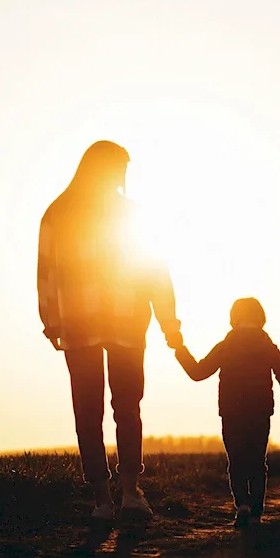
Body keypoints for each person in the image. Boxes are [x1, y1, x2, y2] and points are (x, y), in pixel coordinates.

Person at [38, 141, 182, 522]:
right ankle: (120, 495)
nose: (124, 177)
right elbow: (48, 272)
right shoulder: (69, 214)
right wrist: (50, 319)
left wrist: (51, 319)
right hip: (114, 322)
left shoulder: (59, 213)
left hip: (108, 323)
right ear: (103, 168)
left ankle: (113, 498)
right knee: (119, 409)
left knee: (96, 411)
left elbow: (153, 271)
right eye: (120, 168)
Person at [174, 298, 280, 527]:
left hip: (231, 411)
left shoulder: (226, 345)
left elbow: (198, 372)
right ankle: (257, 513)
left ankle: (242, 504)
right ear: (261, 319)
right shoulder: (267, 346)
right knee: (258, 460)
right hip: (260, 410)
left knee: (237, 460)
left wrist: (180, 351)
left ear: (234, 319)